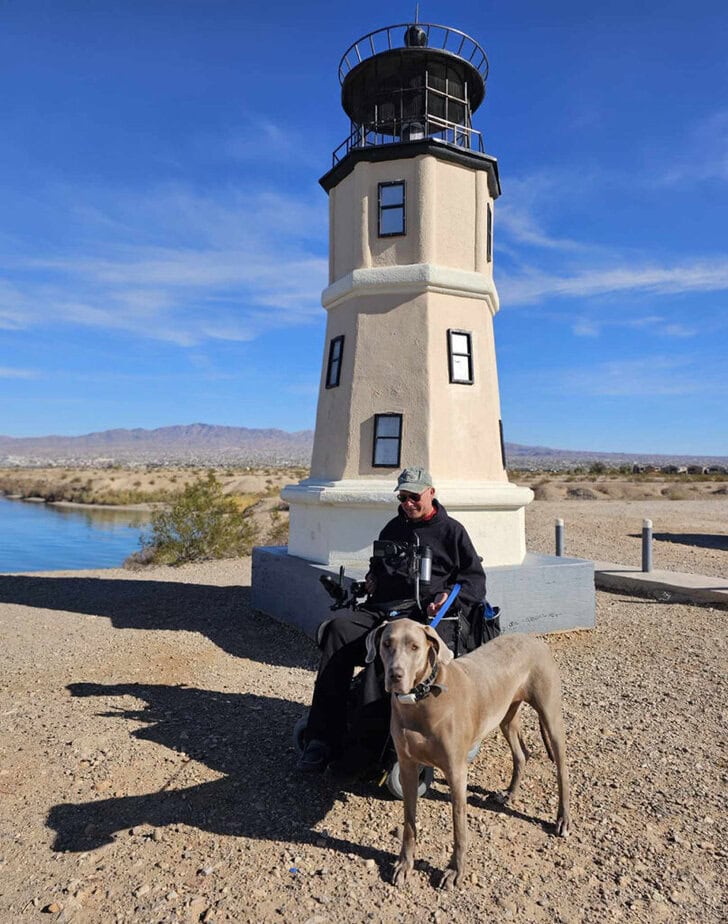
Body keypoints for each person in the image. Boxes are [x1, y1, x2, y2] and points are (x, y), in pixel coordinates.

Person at [298, 466, 486, 773]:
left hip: (419, 615)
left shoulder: (451, 532)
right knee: (337, 630)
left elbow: (474, 581)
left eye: (414, 497)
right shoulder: (393, 527)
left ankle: (363, 751)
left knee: (384, 654)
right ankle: (322, 737)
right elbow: (378, 565)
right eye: (403, 497)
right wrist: (372, 578)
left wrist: (447, 597)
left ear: (431, 493)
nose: (408, 504)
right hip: (382, 608)